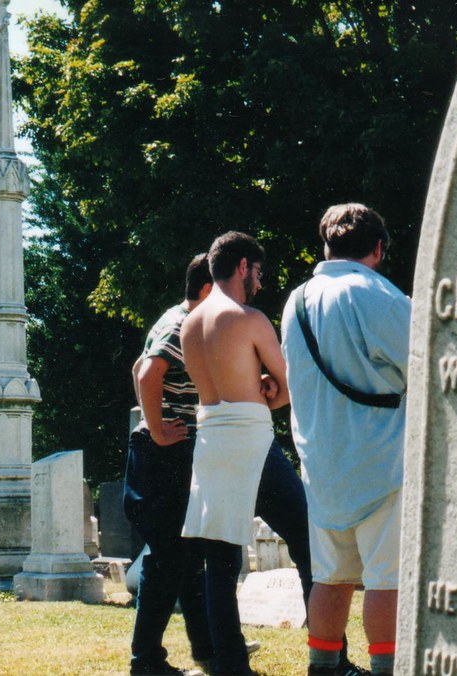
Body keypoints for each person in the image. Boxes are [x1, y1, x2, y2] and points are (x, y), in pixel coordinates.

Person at [281, 204, 410, 676]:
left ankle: (323, 666)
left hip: (321, 460)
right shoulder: (376, 293)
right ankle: (387, 668)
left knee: (330, 577)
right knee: (387, 579)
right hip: (381, 457)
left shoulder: (296, 301)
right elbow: (426, 362)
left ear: (326, 247)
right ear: (377, 248)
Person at [179, 231, 290, 675]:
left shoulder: (189, 324)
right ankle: (330, 658)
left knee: (220, 564)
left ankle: (229, 664)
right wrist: (269, 390)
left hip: (210, 439)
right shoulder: (250, 319)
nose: (259, 282)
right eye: (257, 272)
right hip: (251, 438)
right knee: (306, 541)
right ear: (243, 266)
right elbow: (287, 388)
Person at [124, 253, 215, 675]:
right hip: (163, 456)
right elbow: (147, 374)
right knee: (168, 560)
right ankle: (146, 662)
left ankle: (208, 650)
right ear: (207, 289)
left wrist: (154, 420)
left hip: (167, 454)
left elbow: (137, 368)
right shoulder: (182, 325)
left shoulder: (175, 319)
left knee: (185, 556)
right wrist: (158, 428)